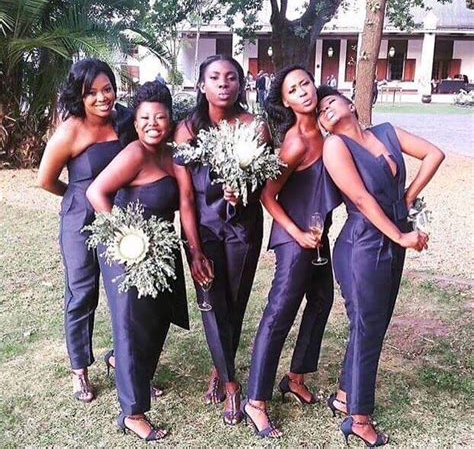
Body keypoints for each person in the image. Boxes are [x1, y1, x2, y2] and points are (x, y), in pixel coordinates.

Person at [318, 86, 444, 446]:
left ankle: (345, 396)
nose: (326, 109)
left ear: (351, 104)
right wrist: (400, 234)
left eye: (331, 102)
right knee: (368, 327)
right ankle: (359, 418)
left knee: (371, 325)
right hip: (362, 245)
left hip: (391, 239)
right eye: (321, 110)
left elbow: (434, 154)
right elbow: (359, 198)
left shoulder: (386, 132)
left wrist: (407, 197)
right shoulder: (335, 146)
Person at [86, 81, 211, 441]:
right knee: (130, 325)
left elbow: (186, 204)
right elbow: (97, 192)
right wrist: (127, 237)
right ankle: (132, 411)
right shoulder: (135, 154)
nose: (152, 124)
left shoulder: (173, 154)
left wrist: (195, 251)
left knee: (157, 320)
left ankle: (132, 374)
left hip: (161, 247)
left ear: (170, 119)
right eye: (144, 118)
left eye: (159, 117)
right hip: (125, 249)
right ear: (136, 122)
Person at [243, 65, 341, 438]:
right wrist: (297, 234)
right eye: (293, 89)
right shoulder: (296, 141)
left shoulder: (327, 128)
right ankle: (256, 402)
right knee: (278, 315)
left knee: (321, 302)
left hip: (319, 235)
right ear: (285, 100)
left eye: (306, 83)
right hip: (295, 239)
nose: (303, 91)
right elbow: (268, 195)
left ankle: (295, 377)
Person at [174, 54, 271, 426]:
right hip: (205, 229)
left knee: (235, 300)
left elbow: (263, 183)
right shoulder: (187, 129)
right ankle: (231, 384)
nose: (223, 84)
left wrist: (243, 191)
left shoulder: (255, 127)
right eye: (214, 77)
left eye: (231, 78)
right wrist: (194, 248)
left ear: (240, 85)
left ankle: (219, 366)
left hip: (244, 226)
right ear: (202, 85)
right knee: (211, 302)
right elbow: (185, 196)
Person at [37, 58, 136, 403]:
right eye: (91, 92)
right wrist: (76, 198)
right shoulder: (71, 130)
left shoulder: (126, 119)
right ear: (79, 96)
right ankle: (79, 370)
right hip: (80, 219)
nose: (102, 98)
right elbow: (45, 180)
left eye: (107, 88)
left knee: (125, 293)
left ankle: (125, 363)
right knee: (82, 293)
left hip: (119, 214)